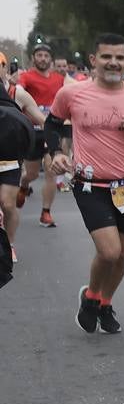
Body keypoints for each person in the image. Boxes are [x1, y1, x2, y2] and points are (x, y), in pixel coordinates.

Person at [44, 33, 124, 334]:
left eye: (119, 57)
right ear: (93, 60)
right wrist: (57, 152)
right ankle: (90, 297)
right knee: (110, 251)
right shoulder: (72, 93)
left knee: (123, 254)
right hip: (90, 184)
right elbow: (53, 123)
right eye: (107, 57)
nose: (113, 62)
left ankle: (105, 302)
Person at [16, 42, 66, 229]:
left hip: (51, 131)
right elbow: (19, 89)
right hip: (32, 131)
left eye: (46, 56)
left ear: (50, 59)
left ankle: (46, 212)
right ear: (33, 58)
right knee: (32, 173)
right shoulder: (27, 77)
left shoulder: (58, 79)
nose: (43, 59)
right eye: (39, 55)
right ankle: (24, 185)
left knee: (51, 170)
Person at [0, 67, 47, 262]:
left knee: (7, 204)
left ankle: (9, 245)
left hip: (9, 158)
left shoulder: (16, 92)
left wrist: (53, 142)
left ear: (4, 68)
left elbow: (41, 118)